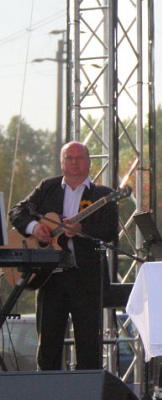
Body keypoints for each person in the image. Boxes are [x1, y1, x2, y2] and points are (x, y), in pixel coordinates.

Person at [8, 141, 119, 370]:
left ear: (89, 162)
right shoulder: (47, 188)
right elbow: (17, 211)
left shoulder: (102, 195)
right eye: (69, 158)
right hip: (50, 279)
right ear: (61, 163)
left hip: (86, 281)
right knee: (47, 348)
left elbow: (110, 233)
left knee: (89, 349)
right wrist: (34, 228)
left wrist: (81, 230)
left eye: (80, 158)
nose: (74, 162)